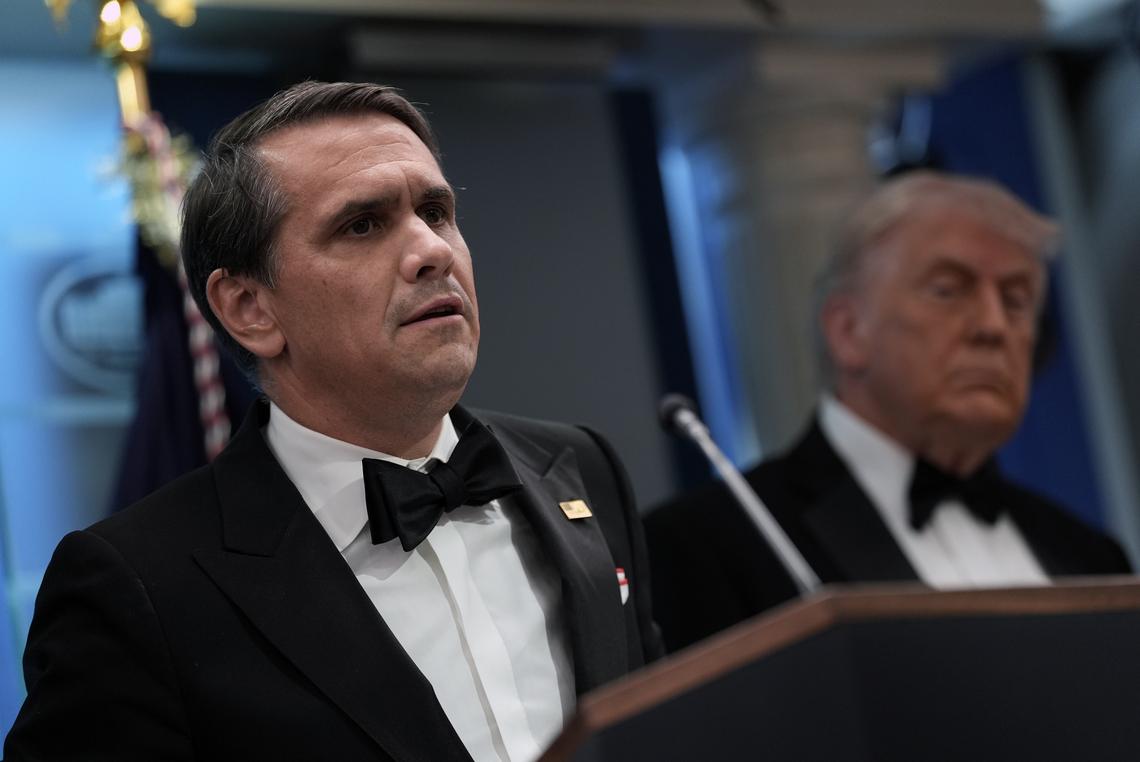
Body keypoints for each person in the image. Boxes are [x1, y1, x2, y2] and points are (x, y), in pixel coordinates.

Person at [5, 81, 662, 761]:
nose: (431, 251)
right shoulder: (135, 586)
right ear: (248, 308)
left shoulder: (579, 469)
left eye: (435, 211)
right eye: (362, 225)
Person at [646, 170, 1132, 652]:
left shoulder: (1092, 555)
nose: (993, 326)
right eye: (948, 289)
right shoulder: (709, 544)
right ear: (847, 331)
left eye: (1016, 300)